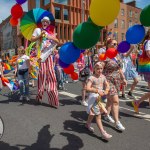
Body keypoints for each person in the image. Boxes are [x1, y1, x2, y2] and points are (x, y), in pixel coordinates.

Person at [31, 16, 59, 108]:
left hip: (49, 56)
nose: (45, 23)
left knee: (52, 75)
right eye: (44, 21)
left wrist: (50, 36)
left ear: (48, 23)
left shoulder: (50, 32)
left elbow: (57, 41)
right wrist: (40, 35)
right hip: (41, 56)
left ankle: (53, 101)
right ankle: (39, 97)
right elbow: (32, 39)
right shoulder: (37, 30)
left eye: (47, 22)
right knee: (42, 75)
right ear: (42, 22)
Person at [103, 39, 127, 131]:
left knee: (110, 99)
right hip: (108, 80)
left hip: (116, 81)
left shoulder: (117, 55)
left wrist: (123, 78)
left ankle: (106, 115)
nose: (116, 45)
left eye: (117, 44)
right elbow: (99, 66)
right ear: (108, 45)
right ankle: (117, 122)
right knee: (115, 101)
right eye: (114, 44)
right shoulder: (105, 55)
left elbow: (119, 69)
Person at [86, 62, 112, 140]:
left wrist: (107, 90)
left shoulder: (103, 76)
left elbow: (107, 85)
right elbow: (87, 88)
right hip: (93, 98)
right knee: (98, 116)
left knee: (93, 113)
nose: (100, 70)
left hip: (100, 98)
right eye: (98, 69)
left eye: (101, 68)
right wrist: (97, 91)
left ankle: (87, 124)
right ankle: (103, 133)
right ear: (94, 69)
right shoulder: (92, 78)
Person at [133, 29, 150, 110]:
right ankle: (137, 102)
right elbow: (148, 53)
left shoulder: (147, 42)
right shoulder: (148, 42)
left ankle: (138, 102)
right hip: (148, 67)